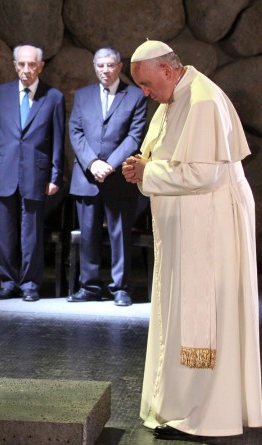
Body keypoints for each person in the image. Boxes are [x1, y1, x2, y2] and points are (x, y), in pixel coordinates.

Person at [122, 40, 262, 440]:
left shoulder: (201, 101)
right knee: (178, 311)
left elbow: (205, 174)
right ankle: (178, 405)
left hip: (211, 225)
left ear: (168, 70)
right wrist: (142, 167)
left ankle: (205, 414)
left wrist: (147, 174)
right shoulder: (173, 99)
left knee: (206, 317)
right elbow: (162, 155)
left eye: (147, 84)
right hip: (188, 223)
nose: (145, 93)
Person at [0, 44, 65, 303]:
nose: (26, 69)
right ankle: (8, 282)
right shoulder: (1, 93)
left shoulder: (54, 97)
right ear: (14, 65)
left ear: (40, 66)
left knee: (31, 233)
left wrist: (55, 175)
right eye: (21, 64)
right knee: (5, 232)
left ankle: (29, 283)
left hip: (35, 173)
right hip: (5, 170)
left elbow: (58, 141)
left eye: (31, 64)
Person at [67, 47, 147, 307]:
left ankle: (120, 288)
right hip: (87, 177)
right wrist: (92, 163)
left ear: (120, 67)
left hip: (118, 177)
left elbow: (135, 136)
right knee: (88, 234)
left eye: (110, 65)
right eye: (100, 65)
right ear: (94, 66)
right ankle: (89, 285)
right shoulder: (82, 95)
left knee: (119, 234)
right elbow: (76, 131)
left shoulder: (135, 95)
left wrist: (109, 165)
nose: (105, 70)